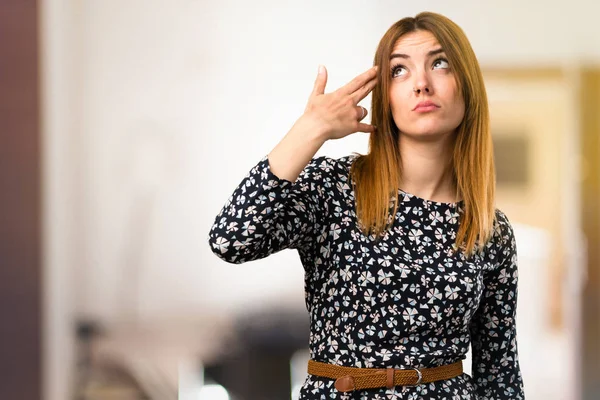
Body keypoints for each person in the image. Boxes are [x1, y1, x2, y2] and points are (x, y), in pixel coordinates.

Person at [208, 11, 525, 400]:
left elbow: (500, 373)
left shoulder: (491, 230)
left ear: (467, 85)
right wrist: (311, 129)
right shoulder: (334, 188)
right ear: (384, 96)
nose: (422, 84)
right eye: (399, 71)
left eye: (439, 63)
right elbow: (230, 239)